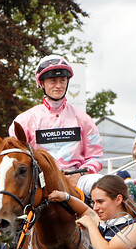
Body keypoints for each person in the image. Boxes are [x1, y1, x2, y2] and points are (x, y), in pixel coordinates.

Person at [10, 54, 103, 185]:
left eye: (62, 80)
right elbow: (15, 157)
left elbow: (96, 156)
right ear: (41, 83)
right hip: (40, 181)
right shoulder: (24, 121)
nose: (58, 85)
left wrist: (80, 174)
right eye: (53, 81)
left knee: (108, 188)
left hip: (78, 180)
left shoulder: (83, 119)